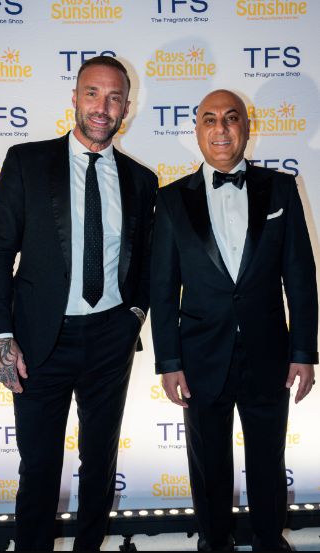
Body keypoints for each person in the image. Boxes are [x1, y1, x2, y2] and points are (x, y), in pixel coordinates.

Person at [0, 56, 157, 550]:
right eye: (93, 93)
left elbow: (144, 264)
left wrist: (134, 317)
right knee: (38, 465)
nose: (103, 106)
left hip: (109, 342)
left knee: (100, 463)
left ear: (127, 107)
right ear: (75, 98)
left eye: (115, 97)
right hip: (38, 342)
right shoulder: (27, 162)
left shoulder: (142, 181)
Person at [150, 89, 317, 551]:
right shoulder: (170, 200)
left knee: (268, 457)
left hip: (269, 353)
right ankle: (214, 543)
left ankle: (269, 541)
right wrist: (169, 361)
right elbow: (162, 291)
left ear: (246, 126)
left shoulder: (281, 188)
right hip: (201, 356)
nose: (221, 129)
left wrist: (304, 353)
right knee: (208, 463)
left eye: (231, 118)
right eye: (210, 119)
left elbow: (300, 277)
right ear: (197, 130)